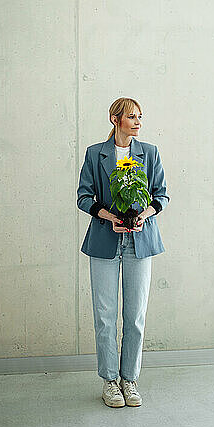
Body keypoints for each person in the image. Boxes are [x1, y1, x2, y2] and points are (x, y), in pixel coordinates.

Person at [77, 97, 170, 408]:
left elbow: (162, 195)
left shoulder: (150, 153)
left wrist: (142, 216)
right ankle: (109, 381)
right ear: (114, 119)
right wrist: (109, 217)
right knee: (104, 316)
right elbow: (83, 196)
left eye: (140, 116)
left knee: (135, 316)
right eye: (131, 116)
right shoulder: (95, 154)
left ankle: (129, 380)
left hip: (140, 243)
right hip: (104, 241)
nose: (138, 121)